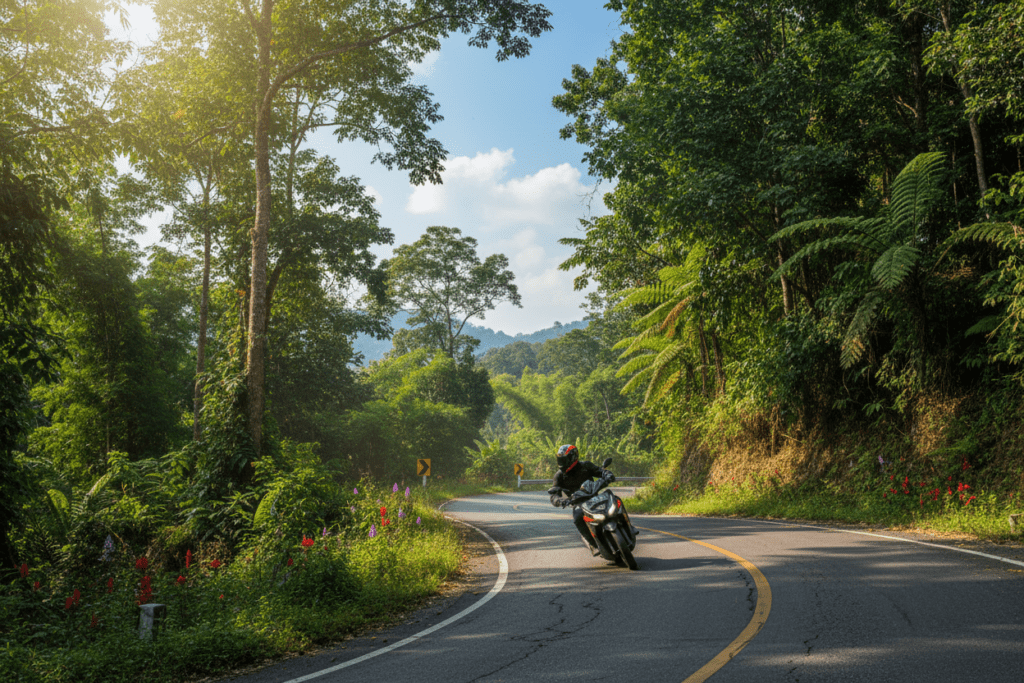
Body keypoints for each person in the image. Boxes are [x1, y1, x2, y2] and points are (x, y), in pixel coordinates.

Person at [549, 444, 608, 555]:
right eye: (560, 459)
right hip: (578, 503)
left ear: (573, 457)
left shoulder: (586, 466)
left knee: (613, 499)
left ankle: (627, 525)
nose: (562, 462)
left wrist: (607, 474)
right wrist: (560, 500)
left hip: (595, 497)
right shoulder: (559, 476)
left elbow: (600, 472)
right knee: (577, 518)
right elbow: (554, 495)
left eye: (564, 459)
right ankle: (593, 544)